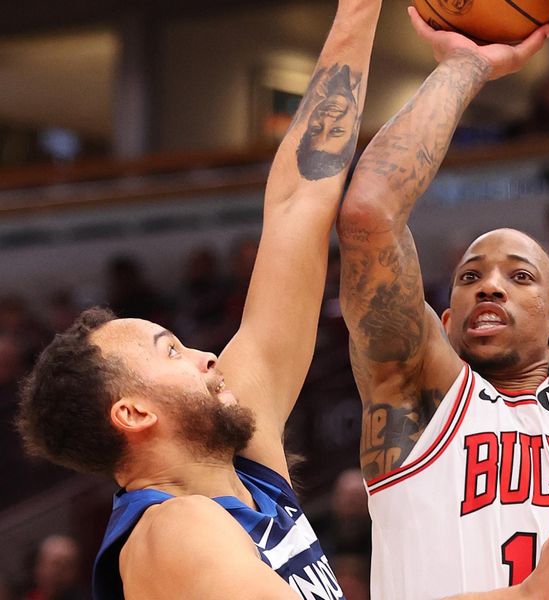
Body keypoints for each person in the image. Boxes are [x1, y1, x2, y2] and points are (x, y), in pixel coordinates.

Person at [16, 1, 382, 598]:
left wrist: (362, 12)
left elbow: (297, 206)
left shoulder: (245, 474)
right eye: (171, 351)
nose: (206, 356)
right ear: (133, 413)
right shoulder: (173, 528)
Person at [337, 0, 549, 598]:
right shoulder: (419, 395)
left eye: (520, 277)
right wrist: (463, 67)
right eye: (469, 278)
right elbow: (367, 216)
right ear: (445, 319)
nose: (489, 284)